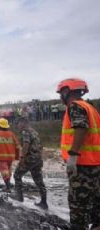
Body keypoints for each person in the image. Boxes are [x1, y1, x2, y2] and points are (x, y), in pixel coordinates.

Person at [56, 78, 100, 229]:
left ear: (66, 92)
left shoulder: (74, 106)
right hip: (96, 166)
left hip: (82, 167)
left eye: (61, 93)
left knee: (78, 212)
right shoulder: (91, 108)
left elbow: (81, 128)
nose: (60, 97)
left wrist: (73, 156)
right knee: (96, 211)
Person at [11, 116, 48, 210]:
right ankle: (44, 202)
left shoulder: (25, 131)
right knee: (39, 180)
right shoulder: (34, 131)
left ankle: (19, 198)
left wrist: (22, 157)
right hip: (37, 159)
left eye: (18, 123)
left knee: (17, 175)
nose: (18, 125)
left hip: (29, 158)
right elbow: (40, 145)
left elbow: (26, 144)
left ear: (23, 123)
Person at [0, 118, 20, 191]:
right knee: (8, 171)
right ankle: (8, 185)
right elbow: (17, 146)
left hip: (1, 157)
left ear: (0, 126)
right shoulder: (11, 134)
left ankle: (8, 187)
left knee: (4, 171)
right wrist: (17, 156)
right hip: (11, 157)